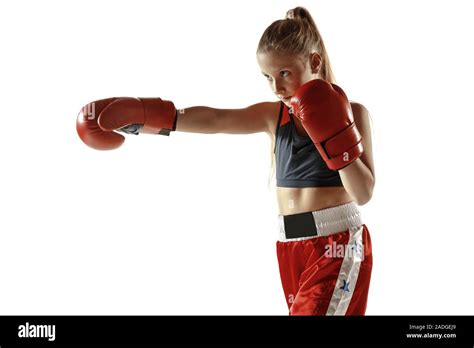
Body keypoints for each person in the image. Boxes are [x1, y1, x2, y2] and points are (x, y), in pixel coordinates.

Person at [76, 6, 375, 316]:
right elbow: (217, 119)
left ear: (314, 61)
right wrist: (148, 116)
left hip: (336, 243)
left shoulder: (354, 112)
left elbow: (364, 193)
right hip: (290, 243)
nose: (277, 86)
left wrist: (336, 136)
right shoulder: (275, 116)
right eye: (267, 77)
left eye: (284, 73)